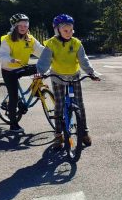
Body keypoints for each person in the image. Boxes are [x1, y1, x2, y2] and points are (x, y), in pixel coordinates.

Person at [37, 14, 99, 148]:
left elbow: (83, 60)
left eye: (71, 30)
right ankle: (58, 135)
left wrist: (91, 73)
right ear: (57, 30)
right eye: (65, 30)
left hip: (74, 76)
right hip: (57, 76)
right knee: (59, 105)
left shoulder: (76, 43)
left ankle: (84, 132)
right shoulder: (52, 44)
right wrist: (40, 73)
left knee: (79, 104)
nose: (69, 33)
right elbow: (44, 60)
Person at [0, 13, 44, 134]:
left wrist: (53, 56)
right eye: (20, 25)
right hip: (9, 70)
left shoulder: (30, 39)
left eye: (26, 25)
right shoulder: (7, 40)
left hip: (21, 67)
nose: (23, 28)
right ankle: (13, 124)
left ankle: (36, 90)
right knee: (14, 97)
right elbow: (1, 56)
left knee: (39, 67)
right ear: (14, 26)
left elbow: (41, 51)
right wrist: (10, 59)